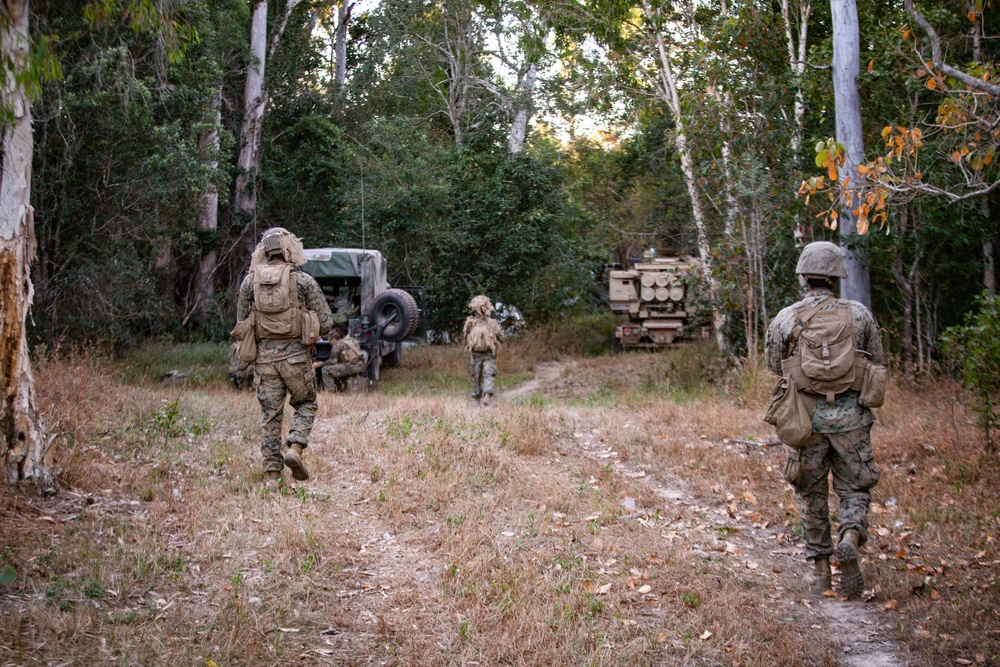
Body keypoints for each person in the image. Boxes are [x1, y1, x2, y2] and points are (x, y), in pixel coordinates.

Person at [765, 241, 885, 599]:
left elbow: (773, 365)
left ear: (804, 276)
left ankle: (821, 573)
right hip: (852, 420)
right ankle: (850, 536)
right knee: (854, 487)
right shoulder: (859, 314)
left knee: (811, 493)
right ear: (837, 275)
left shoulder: (787, 318)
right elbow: (876, 358)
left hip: (806, 420)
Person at [235, 228, 335, 489]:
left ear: (265, 250)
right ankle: (295, 447)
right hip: (296, 360)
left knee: (270, 416)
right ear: (288, 248)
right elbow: (326, 322)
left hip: (264, 363)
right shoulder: (303, 281)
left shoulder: (249, 282)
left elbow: (241, 322)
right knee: (307, 404)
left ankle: (271, 477)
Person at [463, 295, 503, 406]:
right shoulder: (470, 323)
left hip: (489, 354)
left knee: (488, 374)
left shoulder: (491, 323)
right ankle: (476, 399)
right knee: (476, 377)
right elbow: (466, 338)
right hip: (475, 355)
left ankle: (487, 395)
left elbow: (500, 337)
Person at [317, 325, 365, 391]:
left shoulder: (338, 344)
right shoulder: (353, 340)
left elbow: (332, 361)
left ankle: (330, 391)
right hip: (360, 365)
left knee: (325, 370)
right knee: (338, 367)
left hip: (351, 367)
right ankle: (340, 388)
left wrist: (320, 364)